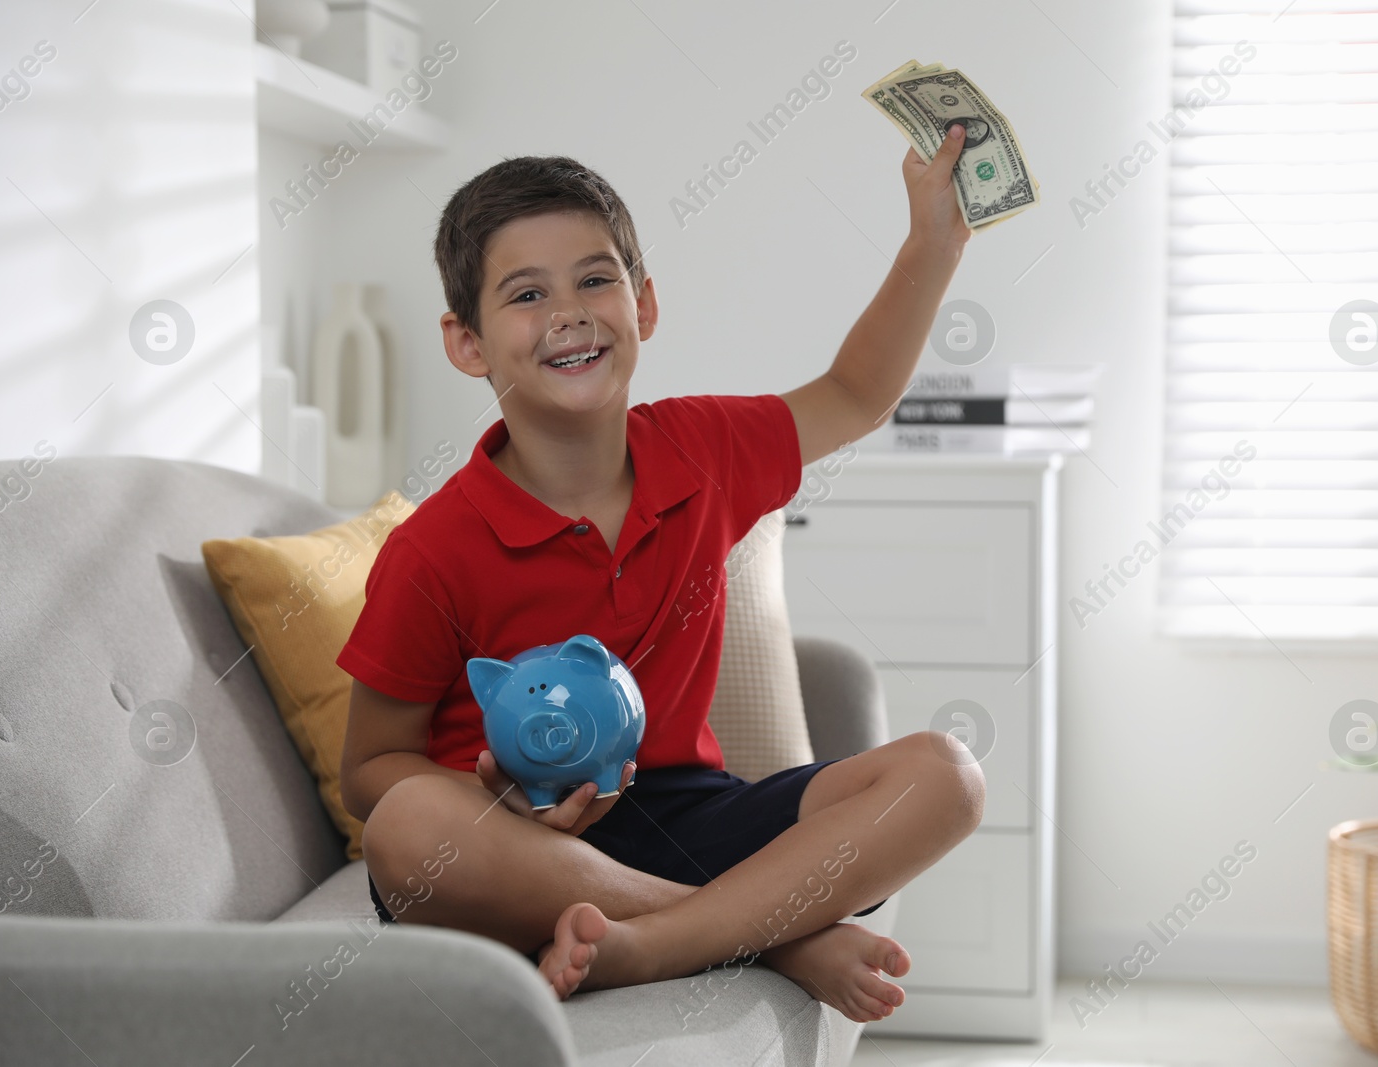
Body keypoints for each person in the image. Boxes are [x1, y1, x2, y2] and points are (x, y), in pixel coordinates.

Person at [337, 123, 983, 1024]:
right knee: (408, 824)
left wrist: (934, 241)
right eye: (526, 293)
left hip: (684, 809)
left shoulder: (704, 448)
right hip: (510, 847)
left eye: (595, 279)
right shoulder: (435, 546)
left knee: (945, 773)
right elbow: (370, 768)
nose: (568, 311)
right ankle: (773, 935)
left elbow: (854, 394)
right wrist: (503, 801)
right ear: (468, 341)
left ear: (642, 304)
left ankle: (643, 945)